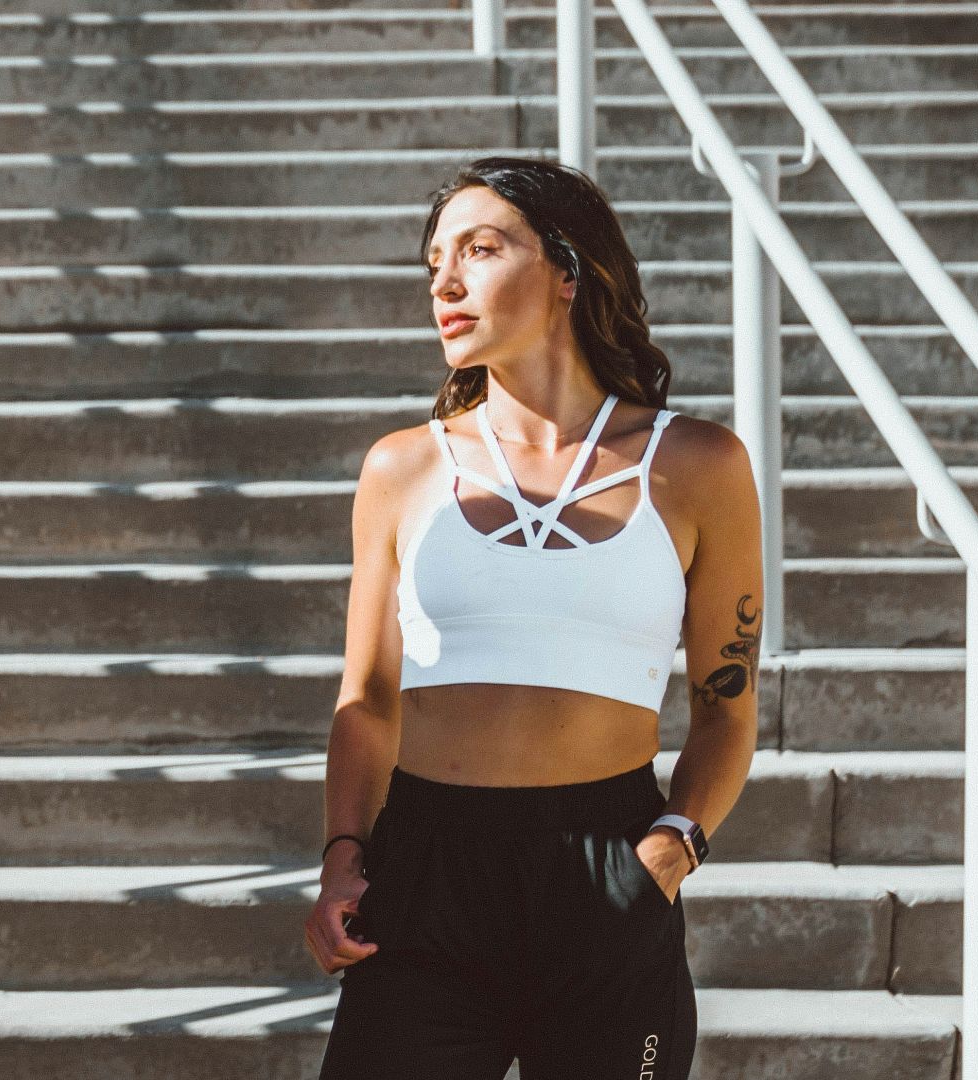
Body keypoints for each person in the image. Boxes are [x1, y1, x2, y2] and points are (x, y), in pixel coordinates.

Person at [304, 157, 762, 1079]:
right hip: (426, 872)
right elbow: (369, 697)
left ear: (568, 270)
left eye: (479, 250)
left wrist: (668, 853)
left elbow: (726, 711)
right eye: (434, 261)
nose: (444, 282)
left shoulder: (698, 463)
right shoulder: (401, 467)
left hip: (609, 865)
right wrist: (343, 856)